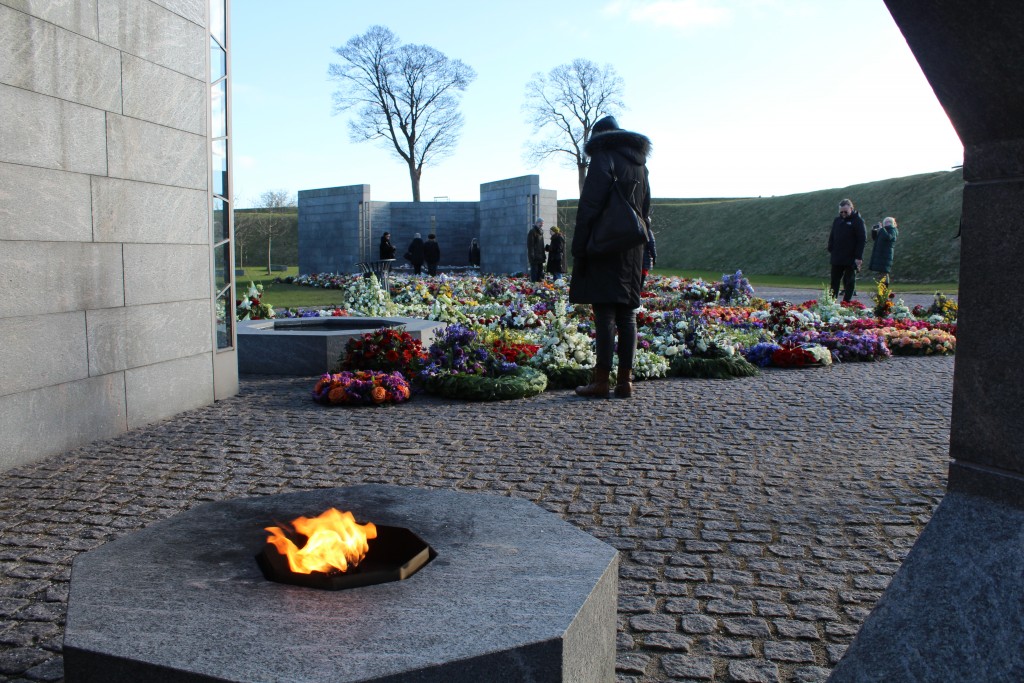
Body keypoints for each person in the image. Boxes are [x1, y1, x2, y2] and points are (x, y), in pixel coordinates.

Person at [569, 115, 651, 399]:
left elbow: (589, 206)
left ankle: (601, 381)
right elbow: (645, 209)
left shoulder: (603, 157)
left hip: (605, 244)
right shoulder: (640, 164)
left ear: (599, 137)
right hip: (632, 246)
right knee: (627, 315)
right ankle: (625, 381)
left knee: (604, 313)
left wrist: (579, 247)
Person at [827, 198, 866, 303]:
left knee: (849, 281)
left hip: (850, 256)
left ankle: (846, 302)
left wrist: (858, 257)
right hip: (837, 256)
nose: (843, 214)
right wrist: (830, 247)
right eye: (841, 212)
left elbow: (862, 239)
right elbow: (832, 235)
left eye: (846, 212)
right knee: (834, 281)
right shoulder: (837, 220)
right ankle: (831, 302)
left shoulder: (858, 221)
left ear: (851, 209)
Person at [869, 216, 899, 285]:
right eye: (886, 222)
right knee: (881, 274)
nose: (887, 223)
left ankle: (883, 291)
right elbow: (876, 239)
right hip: (880, 255)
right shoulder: (884, 230)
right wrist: (874, 231)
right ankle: (881, 291)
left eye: (889, 222)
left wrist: (881, 229)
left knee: (884, 273)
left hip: (886, 255)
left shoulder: (893, 230)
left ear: (893, 223)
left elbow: (888, 237)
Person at [527, 218, 546, 282]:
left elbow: (541, 244)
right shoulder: (532, 232)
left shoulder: (541, 232)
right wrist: (532, 254)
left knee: (540, 271)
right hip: (535, 255)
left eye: (542, 223)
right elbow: (530, 245)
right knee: (534, 271)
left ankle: (538, 284)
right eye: (540, 223)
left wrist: (543, 254)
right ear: (536, 223)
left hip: (540, 255)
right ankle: (534, 283)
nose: (542, 224)